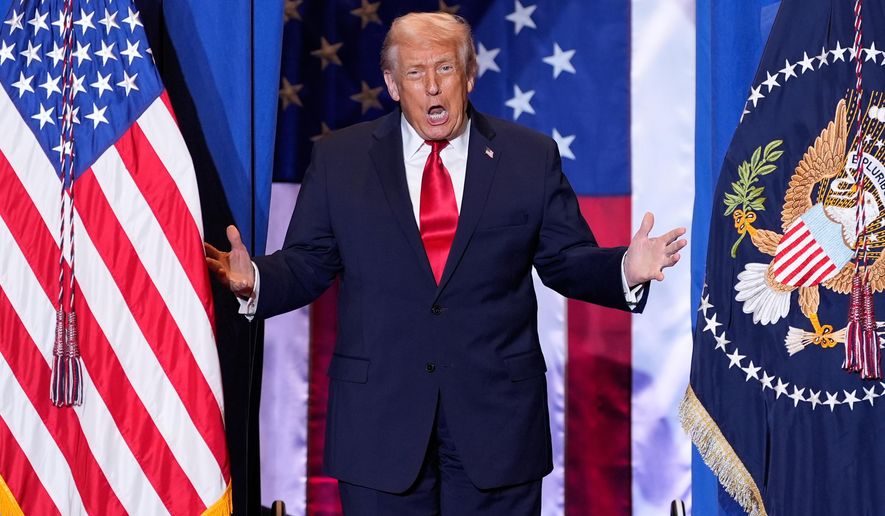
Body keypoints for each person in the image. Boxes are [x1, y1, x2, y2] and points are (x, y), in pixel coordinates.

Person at [205, 11, 686, 516]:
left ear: (469, 75)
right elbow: (308, 262)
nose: (432, 86)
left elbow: (566, 260)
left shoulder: (528, 157)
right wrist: (254, 279)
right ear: (392, 84)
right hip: (380, 425)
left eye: (445, 69)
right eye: (415, 72)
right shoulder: (340, 160)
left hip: (496, 427)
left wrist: (625, 269)